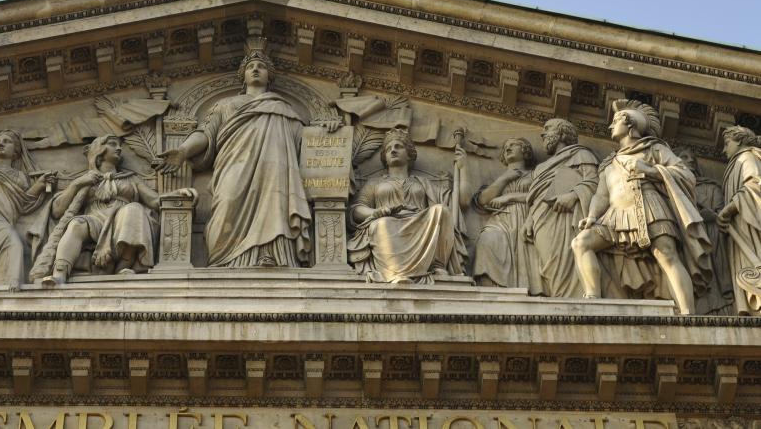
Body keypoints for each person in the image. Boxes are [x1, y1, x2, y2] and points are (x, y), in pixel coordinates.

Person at [157, 48, 334, 267]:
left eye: (261, 66)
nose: (256, 69)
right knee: (227, 201)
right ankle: (224, 261)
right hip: (234, 165)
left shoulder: (283, 107)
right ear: (243, 76)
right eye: (251, 67)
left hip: (276, 171)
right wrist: (183, 150)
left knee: (276, 206)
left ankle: (273, 256)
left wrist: (327, 131)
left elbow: (306, 145)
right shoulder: (225, 105)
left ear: (270, 75)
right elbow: (205, 133)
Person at [571, 100, 711, 315]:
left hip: (650, 207)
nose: (610, 126)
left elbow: (686, 174)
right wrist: (591, 216)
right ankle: (592, 299)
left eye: (615, 120)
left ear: (630, 124)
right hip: (615, 215)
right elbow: (601, 194)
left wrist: (651, 170)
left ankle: (687, 314)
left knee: (666, 253)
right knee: (581, 242)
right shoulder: (609, 162)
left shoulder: (654, 148)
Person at [32, 135, 161, 285]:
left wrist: (177, 194)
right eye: (113, 144)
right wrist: (77, 184)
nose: (118, 148)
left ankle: (122, 268)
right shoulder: (86, 178)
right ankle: (60, 274)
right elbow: (57, 211)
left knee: (134, 210)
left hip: (121, 222)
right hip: (94, 220)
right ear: (99, 150)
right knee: (76, 224)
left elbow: (154, 200)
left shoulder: (130, 178)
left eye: (119, 145)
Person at [347, 128, 471, 283]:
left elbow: (463, 202)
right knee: (381, 225)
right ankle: (395, 272)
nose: (393, 150)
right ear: (384, 157)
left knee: (441, 210)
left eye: (398, 146)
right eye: (388, 149)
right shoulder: (375, 183)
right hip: (387, 222)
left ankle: (438, 266)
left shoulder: (423, 183)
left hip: (421, 225)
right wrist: (377, 211)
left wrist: (464, 168)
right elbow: (356, 209)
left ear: (409, 153)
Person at [522, 119, 598, 297]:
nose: (543, 134)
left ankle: (570, 301)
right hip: (541, 218)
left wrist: (573, 196)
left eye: (548, 129)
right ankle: (561, 299)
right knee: (549, 262)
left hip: (567, 216)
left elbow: (595, 183)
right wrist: (529, 218)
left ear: (563, 133)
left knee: (565, 258)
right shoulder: (540, 168)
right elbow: (535, 198)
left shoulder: (581, 155)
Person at [0, 129, 55, 290]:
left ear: (16, 151)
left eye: (7, 141)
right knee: (13, 243)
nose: (1, 144)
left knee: (10, 243)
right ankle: (10, 284)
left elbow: (23, 202)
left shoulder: (20, 176)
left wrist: (39, 185)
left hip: (6, 218)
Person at [472, 138, 535, 288]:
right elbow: (483, 200)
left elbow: (542, 197)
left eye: (513, 145)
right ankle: (491, 288)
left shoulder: (535, 175)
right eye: (506, 146)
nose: (508, 148)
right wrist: (504, 178)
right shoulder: (500, 178)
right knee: (487, 239)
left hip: (526, 218)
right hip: (500, 220)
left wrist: (509, 197)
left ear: (525, 150)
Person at [678, 147, 733, 315]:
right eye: (684, 157)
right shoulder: (672, 190)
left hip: (712, 236)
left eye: (692, 157)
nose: (691, 160)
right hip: (687, 240)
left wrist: (712, 216)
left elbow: (722, 214)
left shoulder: (710, 187)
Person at [716, 125, 761, 315]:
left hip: (749, 222)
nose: (724, 150)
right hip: (740, 224)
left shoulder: (747, 157)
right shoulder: (736, 163)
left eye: (727, 144)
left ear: (740, 140)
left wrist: (727, 210)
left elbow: (754, 185)